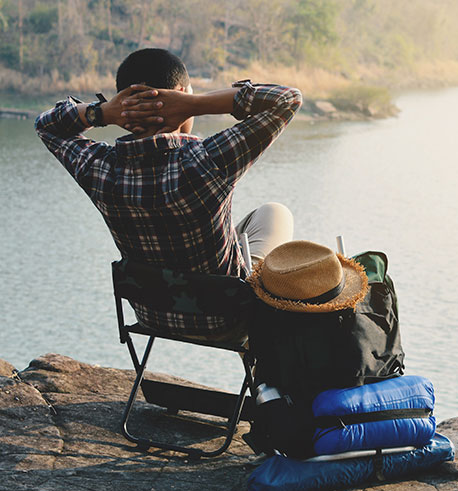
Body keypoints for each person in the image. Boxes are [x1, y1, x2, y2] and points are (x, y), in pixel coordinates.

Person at [35, 48, 302, 339]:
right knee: (275, 213)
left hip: (153, 315)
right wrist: (197, 103)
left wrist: (102, 113)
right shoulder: (207, 160)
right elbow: (287, 99)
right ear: (180, 95)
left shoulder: (100, 169)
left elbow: (46, 125)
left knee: (241, 228)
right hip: (228, 318)